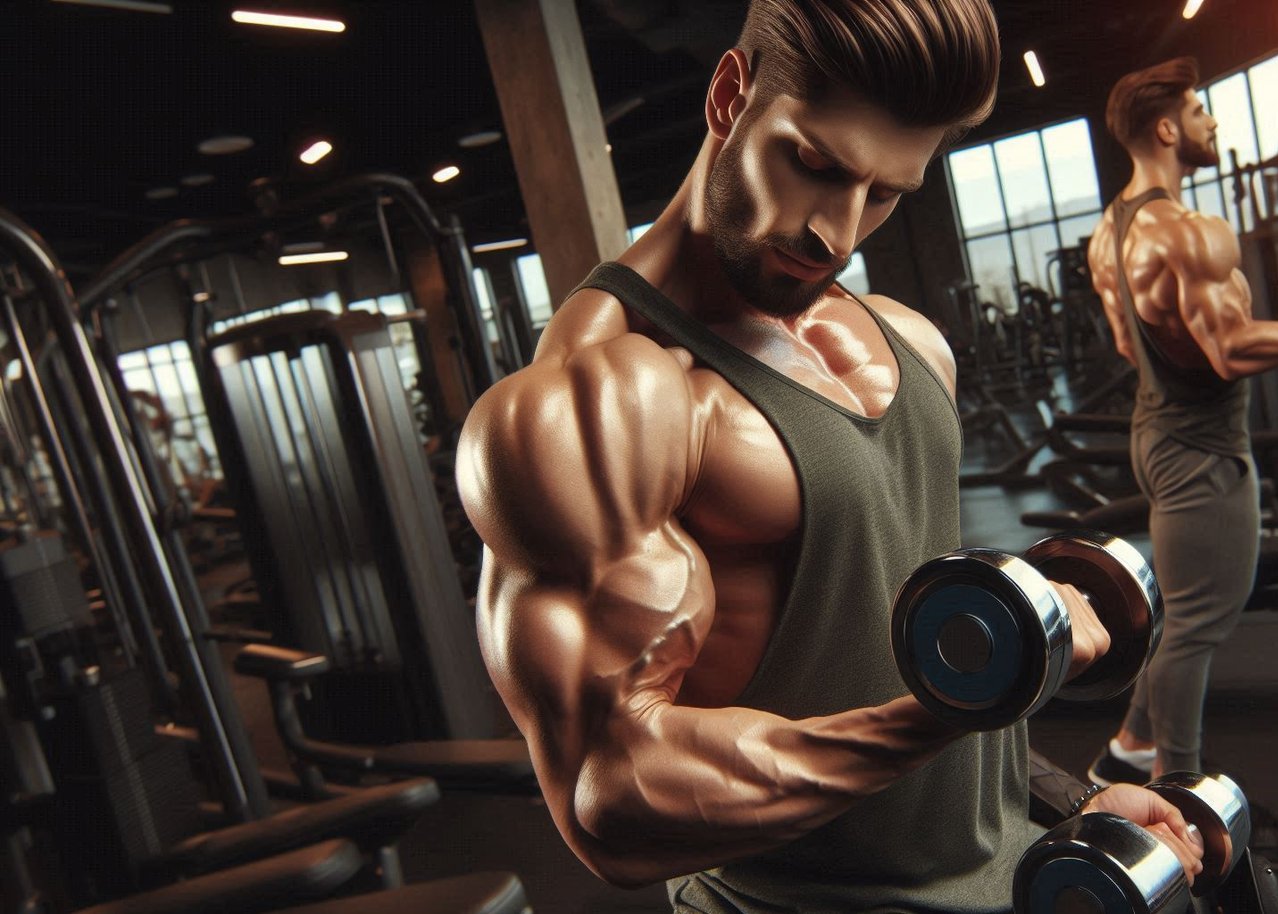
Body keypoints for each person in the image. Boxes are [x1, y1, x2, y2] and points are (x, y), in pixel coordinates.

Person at [457, 3, 1204, 911]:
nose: (837, 234)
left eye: (885, 194)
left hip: (1000, 871)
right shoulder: (598, 404)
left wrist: (1067, 801)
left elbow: (899, 663)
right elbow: (610, 799)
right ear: (730, 96)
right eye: (814, 165)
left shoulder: (908, 343)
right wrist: (960, 706)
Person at [1082, 57, 1278, 869]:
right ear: (1166, 128)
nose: (1212, 123)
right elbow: (1228, 351)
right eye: (1201, 110)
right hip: (1204, 444)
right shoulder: (1188, 231)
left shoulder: (1107, 233)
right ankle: (1179, 807)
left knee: (1185, 615)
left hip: (1156, 430)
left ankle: (1125, 752)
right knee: (1195, 625)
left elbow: (1139, 345)